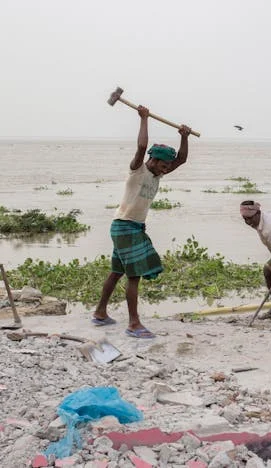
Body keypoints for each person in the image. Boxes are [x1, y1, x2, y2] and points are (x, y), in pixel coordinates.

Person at [91, 106, 192, 338]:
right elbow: (141, 147)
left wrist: (184, 137)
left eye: (167, 167)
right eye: (164, 165)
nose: (166, 170)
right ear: (154, 161)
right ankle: (134, 324)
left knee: (117, 272)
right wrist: (144, 119)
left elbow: (182, 159)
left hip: (129, 227)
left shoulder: (158, 173)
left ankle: (100, 313)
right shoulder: (138, 171)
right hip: (125, 226)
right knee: (133, 275)